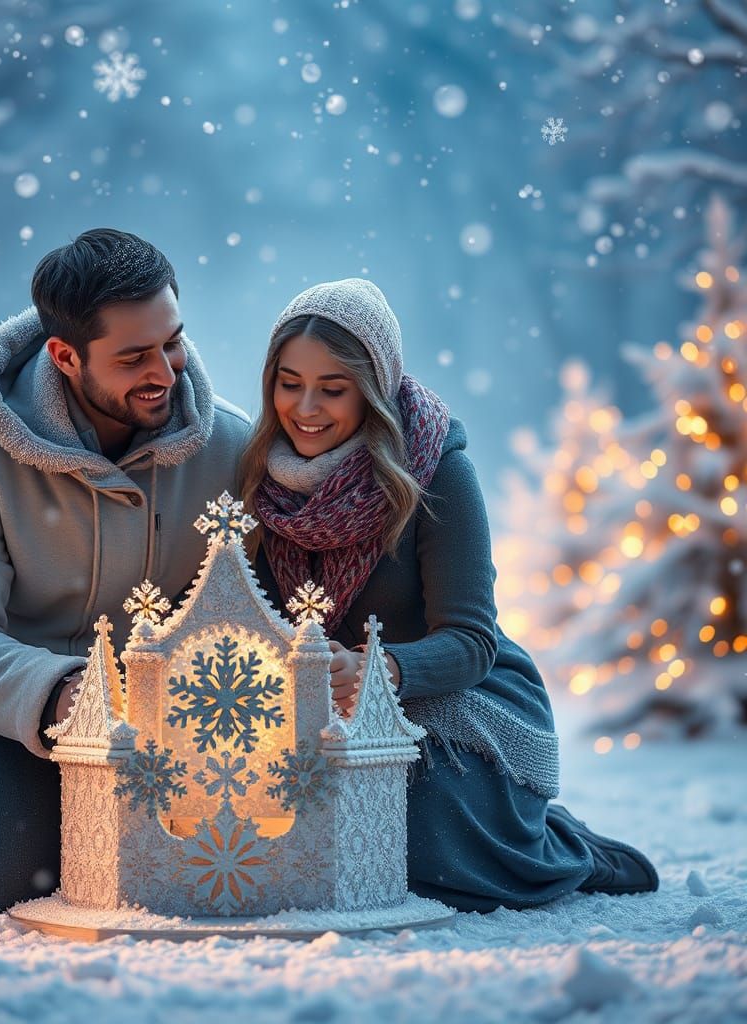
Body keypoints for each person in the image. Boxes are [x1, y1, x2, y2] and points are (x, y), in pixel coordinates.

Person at [0, 229, 251, 914]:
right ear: (65, 356)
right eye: (134, 357)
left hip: (167, 718)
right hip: (14, 710)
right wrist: (64, 694)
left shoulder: (231, 447)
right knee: (8, 880)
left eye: (172, 341)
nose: (166, 370)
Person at [238, 277, 659, 912]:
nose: (306, 408)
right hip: (322, 699)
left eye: (333, 389)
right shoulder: (259, 479)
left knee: (415, 828)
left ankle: (565, 849)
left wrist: (384, 669)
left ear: (373, 391)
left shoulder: (434, 470)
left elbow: (471, 641)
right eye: (290, 383)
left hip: (457, 693)